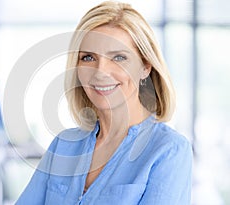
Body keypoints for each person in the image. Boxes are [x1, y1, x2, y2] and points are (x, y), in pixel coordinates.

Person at [16, 1, 192, 204]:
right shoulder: (63, 146)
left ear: (145, 66)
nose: (100, 73)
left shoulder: (168, 151)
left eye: (118, 57)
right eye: (88, 57)